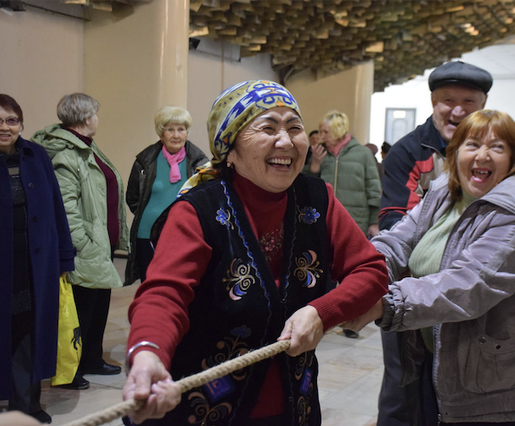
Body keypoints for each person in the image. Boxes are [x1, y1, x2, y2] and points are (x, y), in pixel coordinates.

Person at [122, 80, 389, 426]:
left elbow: (371, 270)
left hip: (293, 405)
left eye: (294, 127)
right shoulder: (199, 210)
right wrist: (147, 353)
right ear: (229, 149)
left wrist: (321, 312)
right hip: (204, 408)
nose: (286, 140)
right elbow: (164, 294)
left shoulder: (316, 198)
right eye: (268, 127)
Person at [345, 109, 515, 426]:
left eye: (498, 147)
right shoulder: (443, 194)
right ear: (456, 152)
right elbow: (398, 241)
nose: (483, 155)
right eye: (472, 144)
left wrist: (386, 303)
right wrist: (362, 277)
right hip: (436, 355)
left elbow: (468, 285)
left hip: (491, 375)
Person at [376, 61, 492, 426]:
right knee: (402, 386)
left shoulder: (497, 154)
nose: (457, 111)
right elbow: (394, 220)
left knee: (458, 384)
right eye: (447, 100)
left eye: (468, 101)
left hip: (469, 295)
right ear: (432, 101)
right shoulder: (409, 151)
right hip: (411, 289)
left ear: (484, 103)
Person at [32, 93, 129, 389]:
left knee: (98, 307)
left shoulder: (87, 147)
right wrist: (84, 244)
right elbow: (66, 207)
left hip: (100, 245)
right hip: (85, 248)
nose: (97, 119)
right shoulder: (66, 153)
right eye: (96, 115)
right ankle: (69, 371)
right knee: (80, 313)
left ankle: (91, 360)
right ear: (87, 118)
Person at [0, 94, 75, 424]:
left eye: (11, 120)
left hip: (35, 266)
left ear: (21, 124)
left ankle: (27, 403)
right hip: (3, 267)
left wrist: (64, 259)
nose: (4, 127)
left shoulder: (37, 155)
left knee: (31, 331)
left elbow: (57, 207)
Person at [124, 106, 208, 285]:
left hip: (184, 236)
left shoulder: (200, 163)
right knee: (150, 287)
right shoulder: (145, 161)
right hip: (147, 236)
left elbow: (206, 200)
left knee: (181, 287)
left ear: (187, 132)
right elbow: (132, 198)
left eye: (181, 129)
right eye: (170, 129)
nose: (176, 135)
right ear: (161, 134)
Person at [309, 110, 381, 238]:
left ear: (338, 131)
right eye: (321, 132)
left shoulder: (363, 153)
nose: (322, 136)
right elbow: (307, 187)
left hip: (356, 221)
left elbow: (374, 190)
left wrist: (373, 222)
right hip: (324, 220)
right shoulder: (319, 153)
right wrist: (314, 166)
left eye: (326, 132)